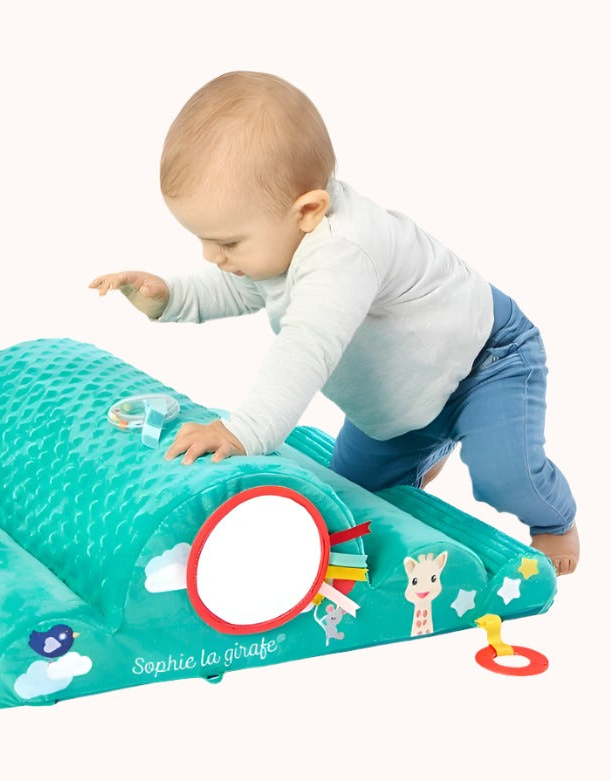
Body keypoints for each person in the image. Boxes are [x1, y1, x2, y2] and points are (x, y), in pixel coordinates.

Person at [89, 71, 578, 575]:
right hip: (400, 403)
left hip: (486, 362)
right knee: (348, 503)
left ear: (309, 210)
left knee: (504, 475)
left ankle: (554, 519)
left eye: (228, 243)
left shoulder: (344, 252)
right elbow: (244, 286)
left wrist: (244, 431)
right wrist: (169, 297)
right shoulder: (286, 229)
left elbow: (306, 346)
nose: (213, 256)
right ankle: (426, 448)